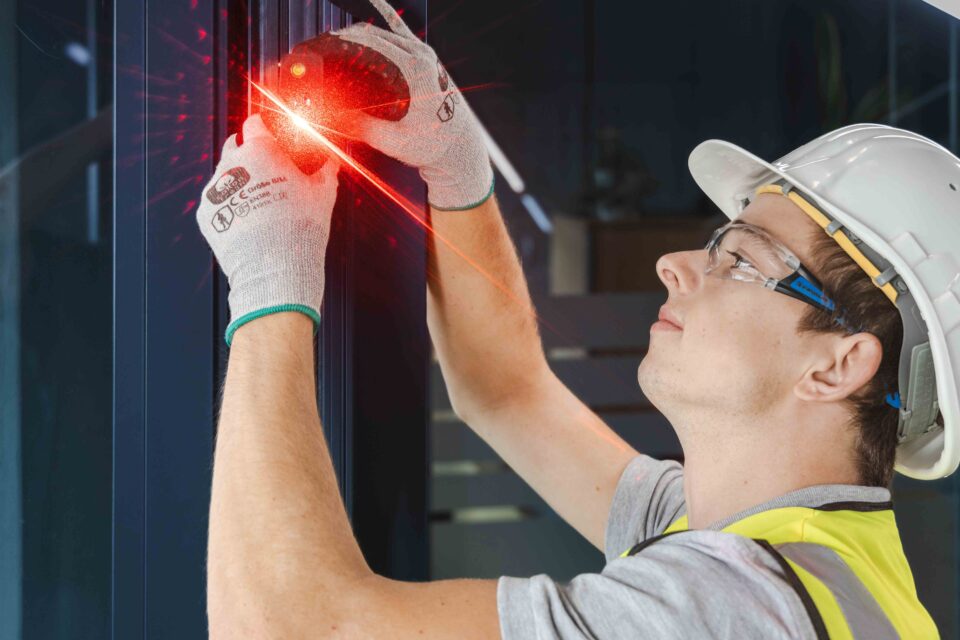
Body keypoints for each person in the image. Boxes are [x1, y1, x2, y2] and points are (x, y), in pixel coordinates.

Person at [200, 2, 959, 637]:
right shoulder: (782, 548)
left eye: (740, 258)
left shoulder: (745, 607)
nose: (677, 265)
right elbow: (506, 394)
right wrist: (457, 166)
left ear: (837, 365)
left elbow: (290, 628)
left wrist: (271, 282)